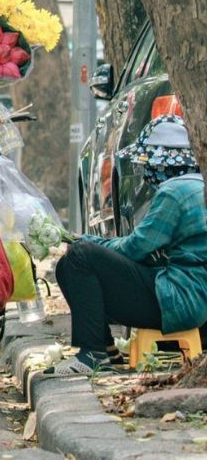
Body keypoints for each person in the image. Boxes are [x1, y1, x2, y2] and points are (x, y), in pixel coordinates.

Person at [53, 114, 207, 376]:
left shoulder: (175, 192)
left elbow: (136, 247)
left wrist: (90, 241)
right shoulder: (198, 185)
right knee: (67, 264)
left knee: (79, 256)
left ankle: (92, 354)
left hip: (179, 301)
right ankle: (106, 349)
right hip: (195, 302)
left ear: (161, 165)